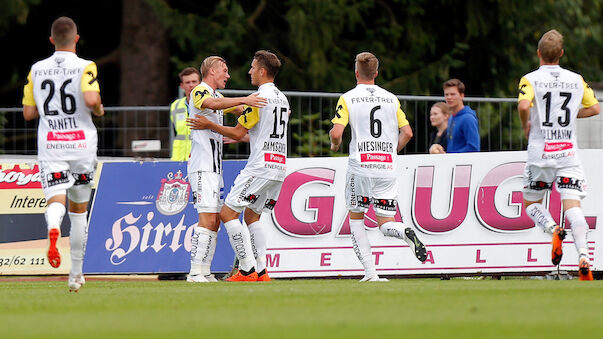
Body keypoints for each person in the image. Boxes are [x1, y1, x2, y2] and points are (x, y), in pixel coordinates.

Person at [189, 50, 289, 282]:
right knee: (237, 217)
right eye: (224, 70)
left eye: (252, 68)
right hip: (268, 165)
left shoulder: (253, 97)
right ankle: (205, 271)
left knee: (222, 216)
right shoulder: (280, 98)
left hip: (254, 166)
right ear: (211, 70)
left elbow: (238, 125)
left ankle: (242, 270)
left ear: (262, 71)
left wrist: (213, 124)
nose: (232, 74)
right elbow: (218, 104)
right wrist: (245, 102)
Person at [22, 16, 105, 292]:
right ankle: (76, 276)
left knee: (56, 199)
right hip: (82, 144)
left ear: (51, 40)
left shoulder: (36, 69)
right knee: (79, 212)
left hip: (52, 144)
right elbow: (92, 100)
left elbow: (28, 113)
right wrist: (99, 109)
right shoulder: (85, 66)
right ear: (76, 38)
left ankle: (53, 227)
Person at [329, 52, 427, 282]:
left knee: (356, 218)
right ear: (376, 73)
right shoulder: (392, 99)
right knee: (386, 223)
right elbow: (408, 132)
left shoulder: (348, 98)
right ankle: (404, 232)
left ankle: (371, 273)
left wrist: (335, 145)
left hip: (360, 166)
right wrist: (391, 152)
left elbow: (336, 133)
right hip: (386, 167)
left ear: (356, 72)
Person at [518, 29, 600, 281]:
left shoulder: (529, 79)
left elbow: (523, 105)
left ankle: (553, 228)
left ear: (538, 53)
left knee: (531, 203)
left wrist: (525, 125)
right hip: (567, 154)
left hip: (540, 154)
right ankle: (584, 255)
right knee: (573, 206)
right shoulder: (576, 79)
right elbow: (594, 108)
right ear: (561, 53)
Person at [169, 67, 201, 161]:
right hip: (178, 159)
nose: (191, 85)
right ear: (182, 86)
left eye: (194, 81)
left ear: (200, 83)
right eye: (187, 82)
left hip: (198, 159)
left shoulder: (206, 104)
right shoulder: (175, 106)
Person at [443, 79, 480, 152]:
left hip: (464, 162)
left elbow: (474, 148)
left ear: (462, 96)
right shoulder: (451, 118)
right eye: (446, 94)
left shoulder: (468, 119)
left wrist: (451, 156)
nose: (449, 97)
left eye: (453, 94)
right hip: (452, 162)